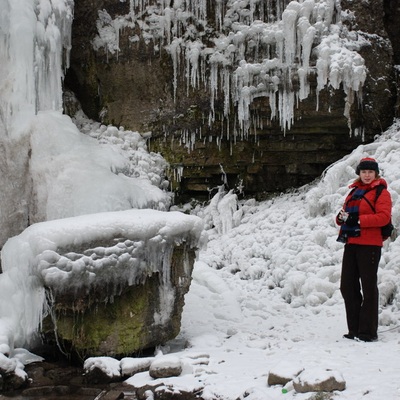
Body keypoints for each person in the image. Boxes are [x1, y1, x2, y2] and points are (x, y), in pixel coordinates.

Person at [336, 157, 392, 342]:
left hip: (370, 244)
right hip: (351, 243)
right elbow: (344, 217)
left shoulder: (381, 192)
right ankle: (354, 329)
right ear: (359, 173)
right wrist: (341, 217)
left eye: (370, 172)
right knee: (347, 286)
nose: (367, 175)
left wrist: (358, 220)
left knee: (368, 287)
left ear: (376, 173)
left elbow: (383, 218)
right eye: (363, 172)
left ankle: (367, 332)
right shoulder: (354, 192)